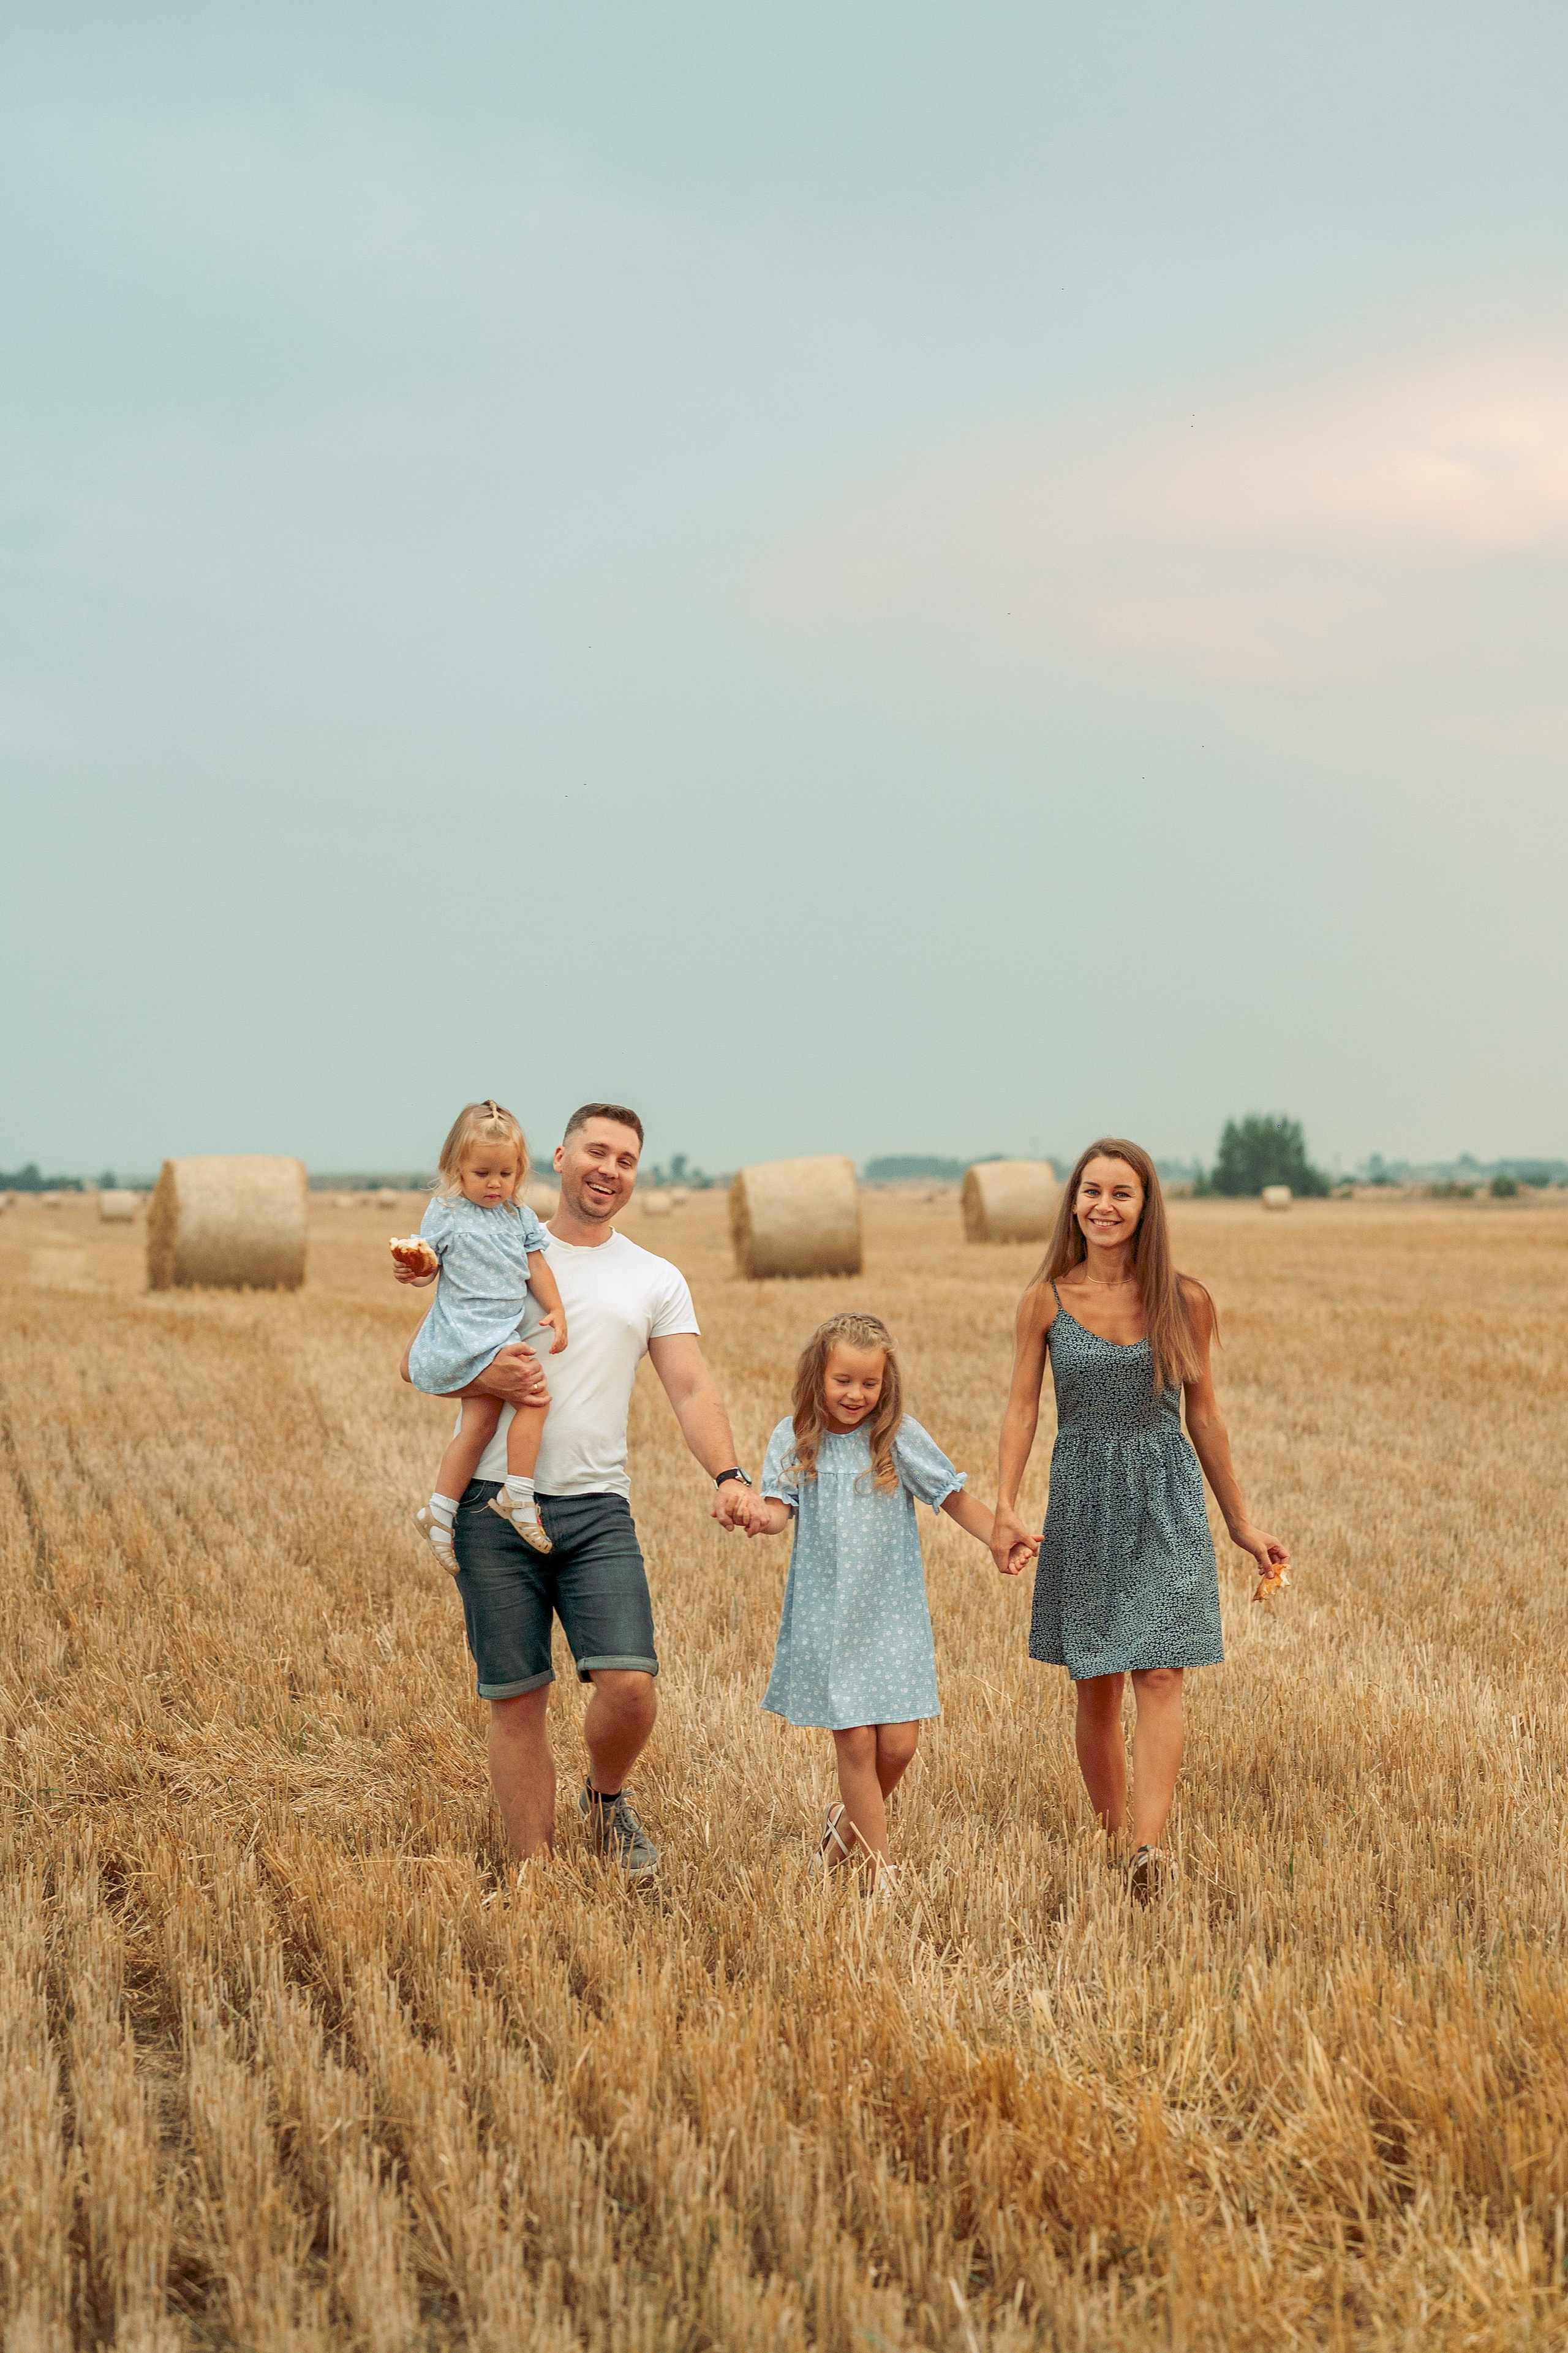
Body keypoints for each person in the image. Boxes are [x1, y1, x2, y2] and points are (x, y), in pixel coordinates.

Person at [395, 1102, 755, 1881]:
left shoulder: (654, 1276)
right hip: (495, 1507)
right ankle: (537, 1872)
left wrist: (728, 1474)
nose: (609, 1168)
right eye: (597, 1151)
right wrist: (483, 1371)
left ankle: (605, 1796)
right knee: (518, 1700)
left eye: (626, 1159)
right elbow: (417, 1360)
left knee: (629, 1685)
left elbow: (690, 1387)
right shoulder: (490, 1240)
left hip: (596, 1508)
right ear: (557, 1157)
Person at [987, 1138, 1289, 1900]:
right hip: (1083, 1492)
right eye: (1091, 1191)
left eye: (1121, 1193)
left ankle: (1148, 1849)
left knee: (1160, 1669)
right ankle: (1114, 1833)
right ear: (1074, 1204)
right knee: (1098, 1683)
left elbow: (1207, 1416)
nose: (1103, 1206)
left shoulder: (1184, 1300)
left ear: (1146, 1207)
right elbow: (1023, 1409)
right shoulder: (1044, 1302)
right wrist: (1004, 1503)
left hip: (1166, 1490)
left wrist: (1241, 1523)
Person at [722, 1312, 1017, 1896]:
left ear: (887, 1385)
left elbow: (951, 1496)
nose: (856, 1395)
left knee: (901, 1745)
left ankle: (844, 1828)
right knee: (856, 1741)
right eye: (843, 1381)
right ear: (818, 1377)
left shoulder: (897, 1436)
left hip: (892, 1612)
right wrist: (760, 1515)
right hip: (829, 1613)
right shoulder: (793, 1436)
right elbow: (781, 1511)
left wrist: (998, 1537)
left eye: (869, 1384)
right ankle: (880, 1871)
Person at [393, 1098, 568, 1562]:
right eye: (482, 1173)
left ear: (519, 1171)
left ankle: (439, 1509)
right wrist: (415, 1273)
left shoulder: (519, 1217)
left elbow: (537, 1267)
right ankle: (519, 1495)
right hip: (463, 1333)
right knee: (535, 1398)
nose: (495, 1185)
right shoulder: (446, 1212)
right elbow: (430, 1265)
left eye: (506, 1174)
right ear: (457, 1168)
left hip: (497, 1337)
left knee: (480, 1426)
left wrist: (557, 1310)